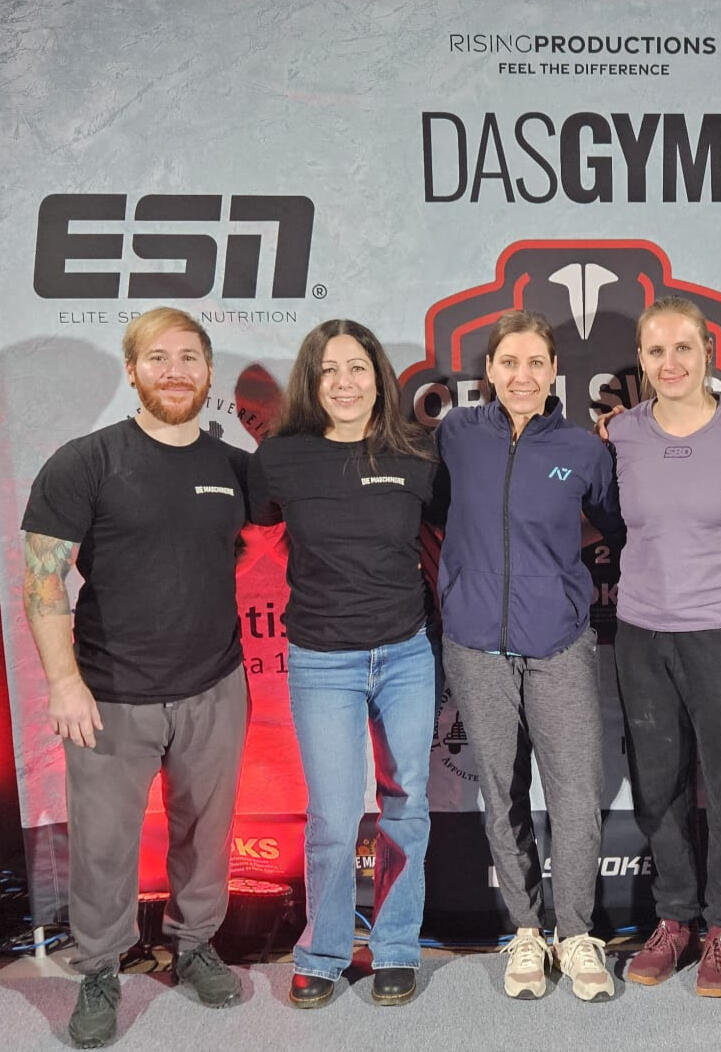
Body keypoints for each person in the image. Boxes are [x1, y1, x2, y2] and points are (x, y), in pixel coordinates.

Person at [22, 308, 249, 1048]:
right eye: (158, 357)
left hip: (214, 687)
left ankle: (194, 944)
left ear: (208, 373)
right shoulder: (84, 461)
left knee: (206, 835)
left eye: (189, 357)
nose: (174, 371)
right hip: (109, 696)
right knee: (103, 846)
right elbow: (42, 580)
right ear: (133, 370)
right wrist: (64, 682)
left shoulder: (234, 467)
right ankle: (99, 968)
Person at [248, 320, 439, 1008]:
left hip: (406, 655)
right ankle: (323, 951)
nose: (344, 382)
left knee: (406, 805)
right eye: (328, 370)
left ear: (378, 378)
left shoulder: (416, 453)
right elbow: (251, 531)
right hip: (322, 660)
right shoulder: (281, 458)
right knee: (332, 816)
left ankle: (395, 948)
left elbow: (447, 533)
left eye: (356, 367)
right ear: (311, 381)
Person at [436, 309, 622, 1002]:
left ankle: (574, 933)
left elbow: (619, 527)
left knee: (575, 793)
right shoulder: (456, 435)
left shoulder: (583, 450)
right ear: (489, 370)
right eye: (509, 362)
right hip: (476, 644)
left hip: (559, 643)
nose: (522, 375)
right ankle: (524, 930)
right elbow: (435, 511)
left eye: (535, 363)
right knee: (501, 791)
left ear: (553, 372)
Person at [604, 297, 721, 997]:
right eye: (655, 351)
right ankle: (674, 919)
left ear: (709, 353)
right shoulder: (620, 433)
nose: (669, 363)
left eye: (682, 348)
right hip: (642, 633)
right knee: (657, 786)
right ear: (641, 361)